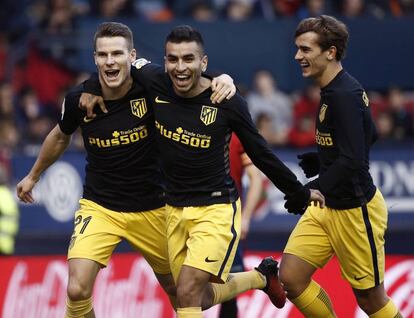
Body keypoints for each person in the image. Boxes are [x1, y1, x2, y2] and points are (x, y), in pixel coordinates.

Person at [83, 25, 325, 318]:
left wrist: (298, 191)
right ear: (164, 61)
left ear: (204, 63)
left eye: (189, 59)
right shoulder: (154, 79)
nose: (180, 67)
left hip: (216, 209)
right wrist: (89, 87)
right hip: (172, 209)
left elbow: (261, 153)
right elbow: (115, 65)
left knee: (186, 293)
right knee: (194, 297)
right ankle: (261, 276)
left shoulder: (227, 101)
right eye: (173, 59)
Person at [16, 22, 235, 318]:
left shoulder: (152, 89)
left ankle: (259, 277)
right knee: (76, 289)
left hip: (154, 207)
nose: (110, 61)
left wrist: (222, 79)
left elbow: (188, 79)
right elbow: (59, 135)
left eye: (117, 54)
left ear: (132, 56)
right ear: (94, 58)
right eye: (103, 55)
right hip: (100, 206)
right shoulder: (79, 100)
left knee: (189, 296)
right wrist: (33, 175)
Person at [278, 15, 403, 318]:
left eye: (306, 50)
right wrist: (324, 160)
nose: (298, 56)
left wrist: (308, 190)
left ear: (330, 52)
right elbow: (369, 134)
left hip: (355, 211)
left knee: (371, 301)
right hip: (327, 207)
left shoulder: (344, 95)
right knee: (291, 278)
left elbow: (354, 160)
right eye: (298, 49)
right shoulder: (335, 88)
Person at [219, 133, 263, 318]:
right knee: (188, 287)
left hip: (229, 221)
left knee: (230, 290)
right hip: (194, 219)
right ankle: (261, 279)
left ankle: (261, 279)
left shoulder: (236, 135)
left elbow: (256, 179)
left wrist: (245, 218)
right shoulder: (187, 128)